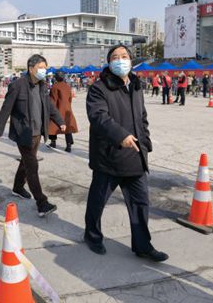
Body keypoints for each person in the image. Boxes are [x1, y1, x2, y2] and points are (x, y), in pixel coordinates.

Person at [84, 44, 168, 262]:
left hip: (135, 156)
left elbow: (142, 117)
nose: (120, 60)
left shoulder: (136, 85)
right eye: (115, 57)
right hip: (109, 157)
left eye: (124, 56)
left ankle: (143, 245)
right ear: (109, 62)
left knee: (141, 203)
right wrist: (120, 135)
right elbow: (98, 117)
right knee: (97, 201)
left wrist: (146, 142)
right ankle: (92, 236)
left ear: (131, 60)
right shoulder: (99, 88)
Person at [0, 54, 65, 217]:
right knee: (32, 165)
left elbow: (49, 106)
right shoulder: (17, 85)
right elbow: (6, 108)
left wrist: (60, 121)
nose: (44, 70)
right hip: (23, 133)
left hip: (38, 132)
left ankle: (18, 187)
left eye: (45, 68)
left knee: (26, 161)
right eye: (41, 67)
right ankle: (42, 203)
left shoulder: (42, 85)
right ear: (31, 68)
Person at [48, 71, 78, 152]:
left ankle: (53, 142)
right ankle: (69, 145)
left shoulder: (55, 87)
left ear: (56, 78)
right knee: (67, 127)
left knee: (52, 125)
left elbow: (52, 100)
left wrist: (51, 110)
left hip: (58, 109)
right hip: (67, 109)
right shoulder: (67, 86)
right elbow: (70, 99)